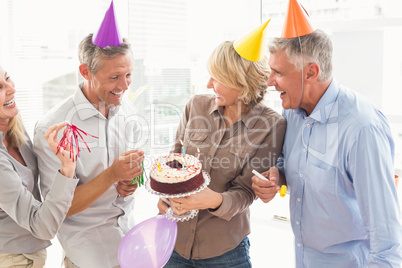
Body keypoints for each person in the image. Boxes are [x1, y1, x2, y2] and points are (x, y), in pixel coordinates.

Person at [251, 25, 402, 268]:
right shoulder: (292, 113)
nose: (270, 82)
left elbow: (387, 242)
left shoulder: (362, 129)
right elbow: (294, 166)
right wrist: (278, 177)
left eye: (278, 72)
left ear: (310, 73)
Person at [158, 38, 286, 267]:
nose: (209, 84)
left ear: (241, 82)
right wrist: (165, 198)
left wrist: (213, 200)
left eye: (217, 78)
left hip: (225, 253)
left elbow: (247, 191)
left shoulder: (271, 125)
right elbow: (174, 161)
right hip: (173, 242)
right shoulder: (196, 106)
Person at [33, 4, 144, 266]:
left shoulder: (126, 109)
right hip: (89, 257)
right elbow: (58, 209)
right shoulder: (53, 128)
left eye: (129, 75)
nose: (126, 86)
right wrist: (112, 175)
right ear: (85, 72)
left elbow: (130, 179)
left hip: (132, 243)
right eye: (115, 77)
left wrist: (130, 184)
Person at [0, 64, 79, 267]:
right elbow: (42, 226)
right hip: (11, 258)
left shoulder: (12, 125)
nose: (11, 89)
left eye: (7, 78)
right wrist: (67, 169)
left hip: (30, 254)